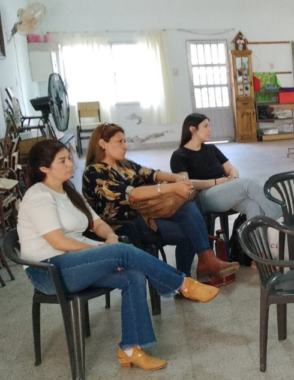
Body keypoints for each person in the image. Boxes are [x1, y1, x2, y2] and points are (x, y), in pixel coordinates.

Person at [18, 140, 220, 371]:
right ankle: (182, 284)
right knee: (121, 251)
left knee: (132, 275)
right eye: (62, 160)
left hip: (74, 265)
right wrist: (102, 249)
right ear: (44, 168)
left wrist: (109, 238)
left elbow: (97, 223)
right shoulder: (39, 196)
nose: (70, 164)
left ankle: (130, 349)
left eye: (69, 158)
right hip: (47, 271)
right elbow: (57, 241)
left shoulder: (68, 192)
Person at [83, 123, 239, 279]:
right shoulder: (94, 172)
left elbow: (151, 174)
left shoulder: (124, 165)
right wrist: (171, 188)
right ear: (103, 144)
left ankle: (204, 261)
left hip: (145, 212)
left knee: (187, 208)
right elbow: (131, 194)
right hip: (126, 224)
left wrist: (177, 178)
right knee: (189, 230)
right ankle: (186, 278)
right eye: (120, 142)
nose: (125, 146)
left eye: (125, 141)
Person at [170, 113, 282, 220]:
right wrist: (217, 182)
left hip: (224, 191)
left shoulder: (211, 149)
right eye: (205, 126)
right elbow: (185, 184)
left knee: (253, 205)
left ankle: (255, 240)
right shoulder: (179, 156)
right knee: (249, 183)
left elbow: (231, 169)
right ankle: (280, 217)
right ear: (192, 129)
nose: (210, 130)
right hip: (203, 197)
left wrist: (232, 178)